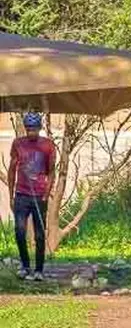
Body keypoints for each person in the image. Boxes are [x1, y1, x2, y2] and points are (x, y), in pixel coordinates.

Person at [7, 112, 55, 282]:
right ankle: (25, 266)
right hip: (21, 194)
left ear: (40, 128)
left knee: (40, 234)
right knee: (19, 231)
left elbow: (51, 172)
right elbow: (12, 169)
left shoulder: (48, 145)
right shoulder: (18, 143)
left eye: (34, 129)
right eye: (28, 129)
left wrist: (47, 194)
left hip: (40, 195)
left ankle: (39, 270)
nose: (31, 132)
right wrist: (11, 194)